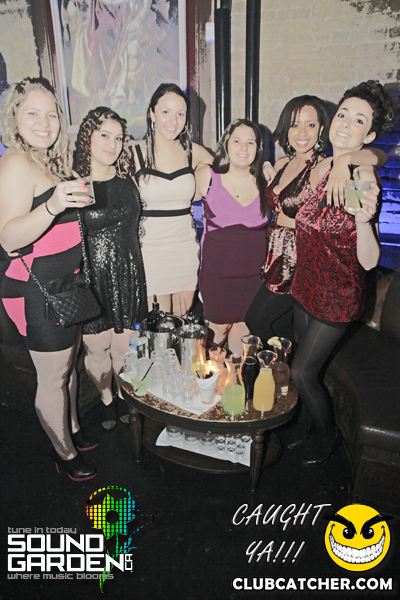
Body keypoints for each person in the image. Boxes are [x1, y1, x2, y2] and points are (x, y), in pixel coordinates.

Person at [290, 80, 398, 467]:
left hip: (337, 295)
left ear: (368, 136)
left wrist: (364, 221)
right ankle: (305, 426)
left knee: (301, 372)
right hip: (305, 284)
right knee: (307, 366)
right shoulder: (323, 166)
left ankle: (328, 436)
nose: (346, 124)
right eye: (342, 114)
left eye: (359, 120)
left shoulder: (360, 175)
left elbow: (368, 261)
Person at [0, 77, 96, 481]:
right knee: (53, 377)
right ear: (14, 118)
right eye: (32, 113)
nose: (44, 122)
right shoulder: (16, 163)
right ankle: (63, 453)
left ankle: (71, 427)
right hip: (36, 288)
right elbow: (8, 237)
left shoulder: (49, 162)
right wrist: (53, 205)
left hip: (63, 284)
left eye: (51, 114)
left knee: (69, 366)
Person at [245, 95, 387, 345]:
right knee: (283, 331)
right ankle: (282, 364)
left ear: (321, 129)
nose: (302, 132)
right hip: (276, 257)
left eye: (310, 125)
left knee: (257, 319)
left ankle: (282, 362)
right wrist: (266, 168)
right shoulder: (285, 163)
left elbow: (378, 157)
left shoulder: (326, 168)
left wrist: (346, 160)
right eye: (294, 124)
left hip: (302, 261)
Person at [73, 106, 147, 430]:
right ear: (87, 137)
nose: (112, 144)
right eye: (104, 135)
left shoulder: (129, 181)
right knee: (97, 352)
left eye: (118, 138)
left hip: (129, 276)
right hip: (92, 280)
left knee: (125, 350)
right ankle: (106, 399)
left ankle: (125, 396)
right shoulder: (74, 185)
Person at [131, 82, 212, 316]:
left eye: (180, 114)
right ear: (152, 113)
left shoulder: (193, 151)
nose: (173, 121)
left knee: (182, 321)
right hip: (150, 251)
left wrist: (265, 167)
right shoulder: (134, 154)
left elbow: (230, 170)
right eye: (166, 112)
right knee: (160, 326)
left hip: (185, 248)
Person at [195, 118, 269, 355]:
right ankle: (204, 377)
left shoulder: (267, 180)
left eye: (250, 142)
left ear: (258, 148)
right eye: (237, 141)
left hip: (254, 280)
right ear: (226, 143)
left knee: (243, 337)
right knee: (216, 333)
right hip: (216, 277)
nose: (243, 148)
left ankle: (237, 377)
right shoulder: (207, 175)